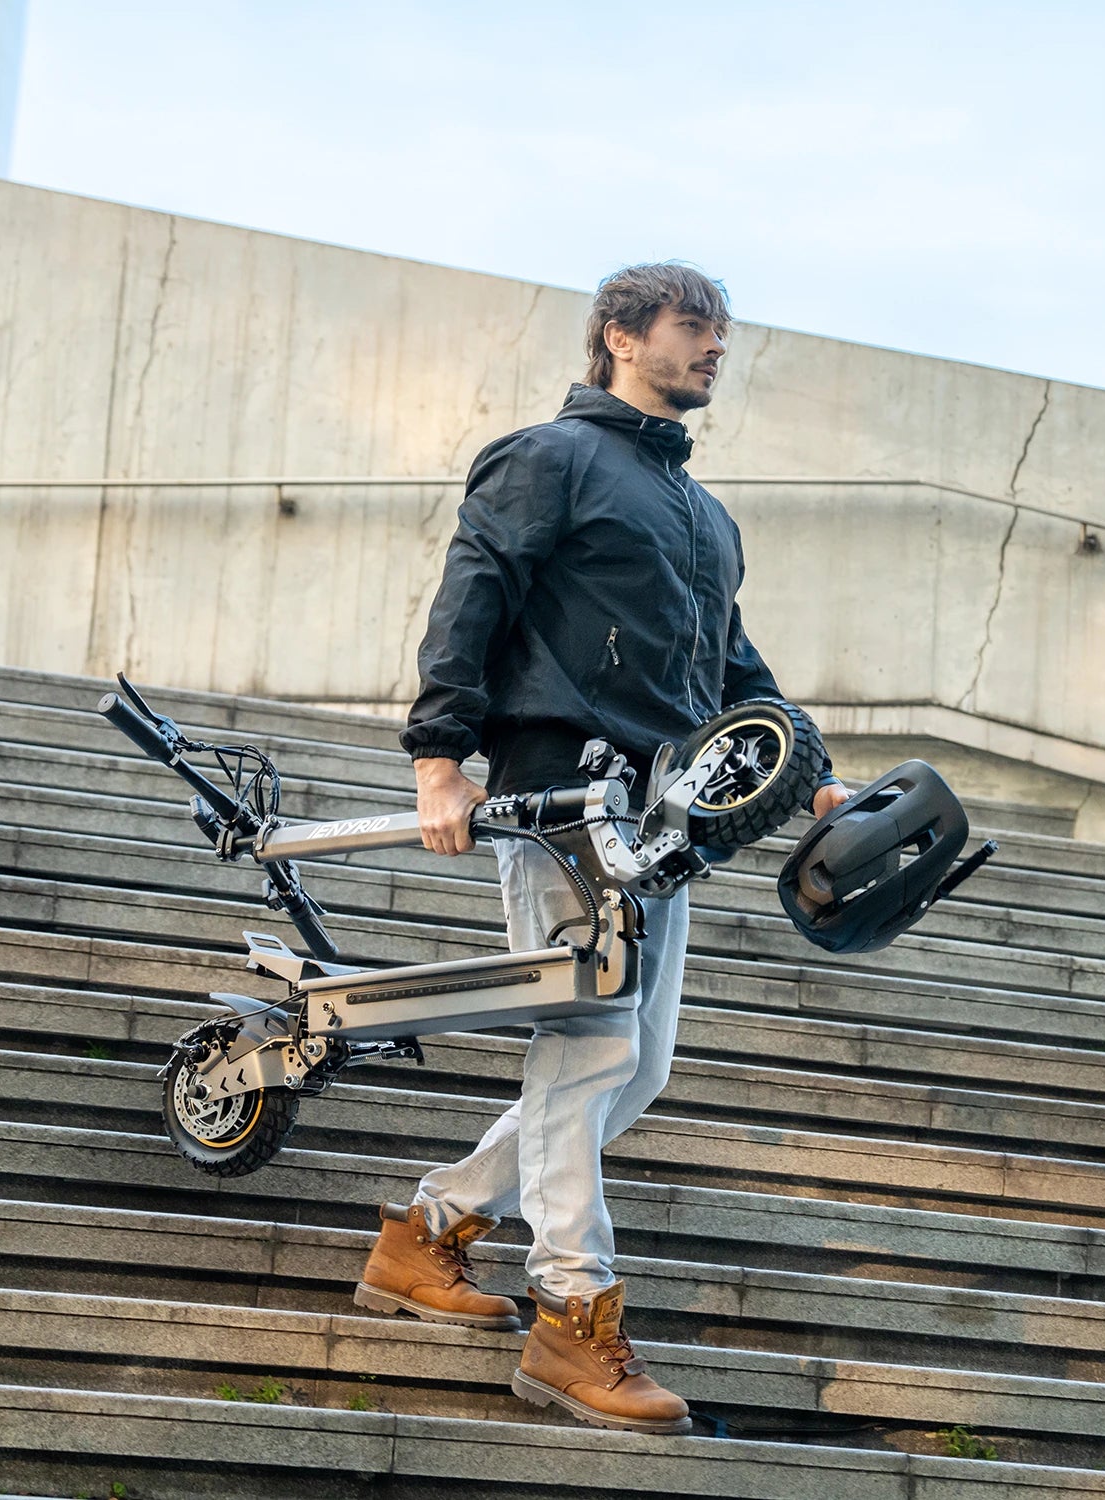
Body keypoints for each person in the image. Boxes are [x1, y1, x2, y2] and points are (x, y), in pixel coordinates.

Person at [353, 263, 848, 1434]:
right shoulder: (551, 457)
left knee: (639, 1067)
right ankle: (572, 1317)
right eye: (694, 327)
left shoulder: (702, 514)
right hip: (562, 796)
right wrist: (440, 756)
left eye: (722, 331)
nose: (717, 347)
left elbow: (727, 666)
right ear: (622, 335)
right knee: (584, 1054)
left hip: (666, 816)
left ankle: (428, 1234)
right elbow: (475, 589)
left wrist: (813, 766)